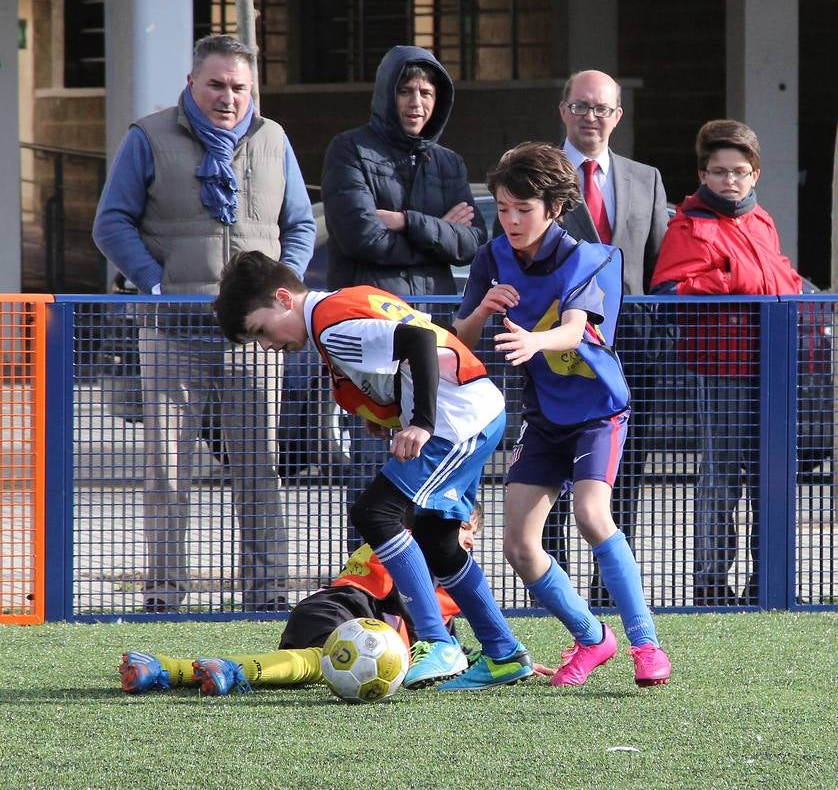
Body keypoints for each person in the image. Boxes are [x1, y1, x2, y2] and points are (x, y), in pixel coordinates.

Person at [211, 250, 532, 692]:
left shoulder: (331, 326)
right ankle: (504, 653)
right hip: (473, 411)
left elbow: (419, 340)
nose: (267, 345)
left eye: (261, 331)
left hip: (459, 420)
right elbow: (402, 349)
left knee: (375, 514)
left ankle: (438, 642)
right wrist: (387, 412)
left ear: (284, 298)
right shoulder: (337, 306)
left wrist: (421, 421)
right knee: (438, 541)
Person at [92, 34, 316, 613]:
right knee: (167, 475)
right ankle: (164, 595)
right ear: (191, 83)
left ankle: (266, 594)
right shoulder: (149, 136)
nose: (228, 97)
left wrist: (279, 293)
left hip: (254, 338)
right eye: (216, 84)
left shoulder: (273, 139)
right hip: (170, 331)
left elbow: (300, 226)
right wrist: (158, 283)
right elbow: (111, 223)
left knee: (260, 470)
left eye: (240, 87)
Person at [452, 142, 671, 688]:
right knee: (520, 548)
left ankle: (646, 644)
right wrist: (482, 310)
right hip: (545, 414)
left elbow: (576, 327)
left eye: (523, 209)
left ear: (554, 208)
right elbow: (461, 339)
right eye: (502, 208)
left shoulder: (589, 259)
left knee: (593, 517)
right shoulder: (491, 258)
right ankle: (594, 639)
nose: (510, 220)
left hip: (599, 411)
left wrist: (533, 340)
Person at [321, 45, 487, 552]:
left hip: (436, 331)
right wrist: (435, 231)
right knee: (379, 465)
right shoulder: (348, 150)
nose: (417, 102)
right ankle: (368, 585)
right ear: (386, 94)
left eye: (428, 93)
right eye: (407, 91)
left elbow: (472, 241)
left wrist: (404, 220)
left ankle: (438, 593)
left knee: (437, 456)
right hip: (377, 337)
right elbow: (359, 237)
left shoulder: (449, 162)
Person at [120, 507, 556, 695]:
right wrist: (493, 657)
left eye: (473, 532)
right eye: (463, 529)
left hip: (328, 609)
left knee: (306, 666)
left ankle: (162, 669)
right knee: (315, 663)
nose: (469, 539)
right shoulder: (419, 561)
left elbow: (440, 637)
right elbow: (432, 634)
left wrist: (488, 657)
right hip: (345, 612)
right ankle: (228, 668)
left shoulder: (398, 548)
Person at [650, 120, 802, 606]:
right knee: (722, 475)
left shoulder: (763, 221)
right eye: (718, 172)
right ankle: (710, 582)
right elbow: (668, 293)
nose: (729, 181)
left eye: (739, 171)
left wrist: (751, 278)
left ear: (754, 174)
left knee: (770, 474)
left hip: (773, 366)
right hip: (720, 368)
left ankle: (768, 580)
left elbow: (784, 282)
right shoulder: (688, 224)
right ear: (702, 174)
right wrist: (736, 276)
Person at [556, 69, 670, 604]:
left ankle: (609, 586)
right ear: (563, 110)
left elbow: (660, 264)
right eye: (581, 107)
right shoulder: (537, 172)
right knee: (553, 465)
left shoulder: (644, 178)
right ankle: (548, 583)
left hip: (631, 351)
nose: (591, 118)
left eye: (602, 109)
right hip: (556, 347)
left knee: (623, 465)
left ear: (618, 116)